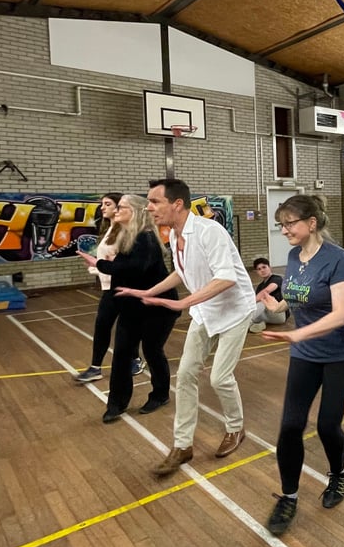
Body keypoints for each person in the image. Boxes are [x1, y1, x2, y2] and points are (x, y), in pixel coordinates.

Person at [119, 179, 257, 474]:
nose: (150, 208)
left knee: (220, 378)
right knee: (184, 376)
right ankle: (182, 446)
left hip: (234, 311)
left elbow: (227, 278)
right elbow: (180, 273)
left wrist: (183, 304)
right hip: (206, 311)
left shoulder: (210, 232)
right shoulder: (172, 235)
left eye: (155, 202)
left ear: (177, 204)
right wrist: (148, 292)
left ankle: (236, 428)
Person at [257, 195, 344, 536]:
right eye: (282, 224)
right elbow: (299, 290)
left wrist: (297, 334)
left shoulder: (338, 259)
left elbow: (341, 314)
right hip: (305, 351)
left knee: (329, 425)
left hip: (340, 351)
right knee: (290, 426)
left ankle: (339, 474)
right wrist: (278, 306)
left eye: (290, 223)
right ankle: (288, 495)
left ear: (312, 223)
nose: (284, 229)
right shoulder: (293, 255)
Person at [77, 195, 180, 423]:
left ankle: (160, 394)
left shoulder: (146, 238)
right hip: (131, 305)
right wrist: (107, 266)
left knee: (152, 351)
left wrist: (99, 264)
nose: (115, 211)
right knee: (122, 354)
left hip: (157, 307)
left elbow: (134, 268)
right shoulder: (126, 236)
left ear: (135, 211)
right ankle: (116, 404)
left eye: (120, 207)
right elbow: (124, 269)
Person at [76, 192, 146, 384]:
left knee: (127, 328)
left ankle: (135, 359)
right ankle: (95, 367)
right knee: (102, 326)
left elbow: (123, 264)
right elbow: (108, 262)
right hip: (109, 287)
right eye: (102, 204)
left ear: (119, 208)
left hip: (125, 288)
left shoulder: (126, 232)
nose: (102, 207)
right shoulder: (111, 230)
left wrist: (101, 265)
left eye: (107, 204)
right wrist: (95, 268)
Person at [248, 257, 288, 333]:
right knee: (256, 311)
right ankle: (259, 324)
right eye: (259, 269)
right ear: (257, 272)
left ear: (270, 267)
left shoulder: (277, 278)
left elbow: (266, 291)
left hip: (279, 313)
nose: (262, 270)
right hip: (267, 315)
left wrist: (249, 304)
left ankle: (246, 324)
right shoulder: (260, 286)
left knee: (264, 299)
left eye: (264, 267)